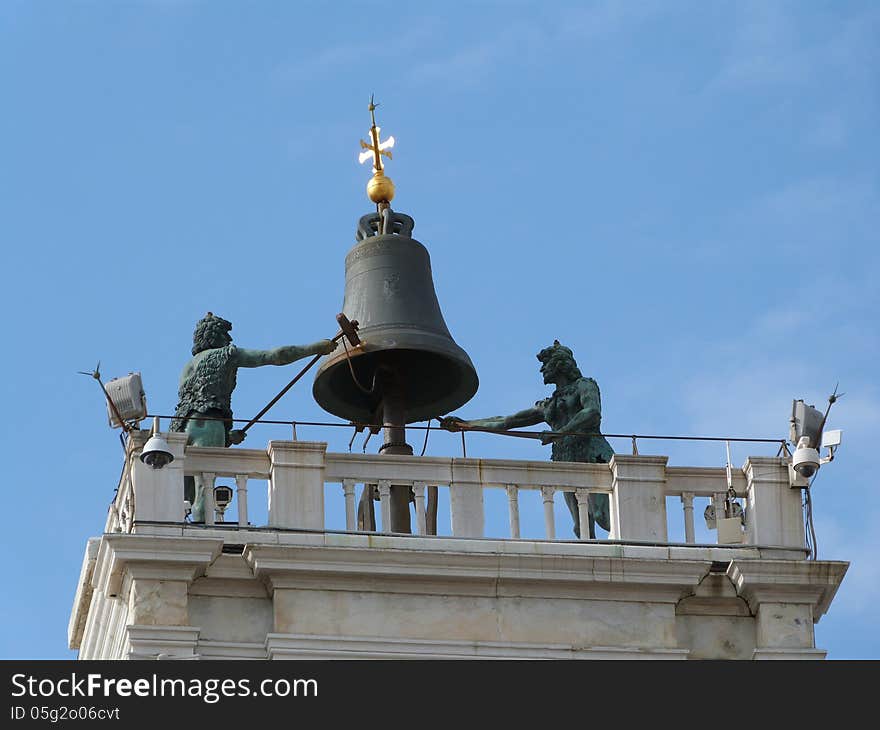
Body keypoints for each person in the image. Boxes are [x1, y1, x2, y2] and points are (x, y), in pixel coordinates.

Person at [170, 312, 337, 521]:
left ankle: (194, 529)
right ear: (215, 337)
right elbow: (276, 356)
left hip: (182, 427)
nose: (229, 340)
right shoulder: (227, 354)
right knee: (205, 485)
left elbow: (196, 404)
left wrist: (227, 436)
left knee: (188, 494)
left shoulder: (188, 366)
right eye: (225, 334)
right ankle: (203, 533)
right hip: (211, 423)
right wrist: (316, 348)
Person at [441, 340, 613, 538]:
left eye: (546, 364)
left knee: (602, 515)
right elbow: (507, 421)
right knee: (580, 526)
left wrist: (560, 432)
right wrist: (468, 424)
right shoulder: (549, 404)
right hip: (567, 463)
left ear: (559, 364)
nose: (542, 370)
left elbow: (592, 412)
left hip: (592, 457)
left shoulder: (585, 385)